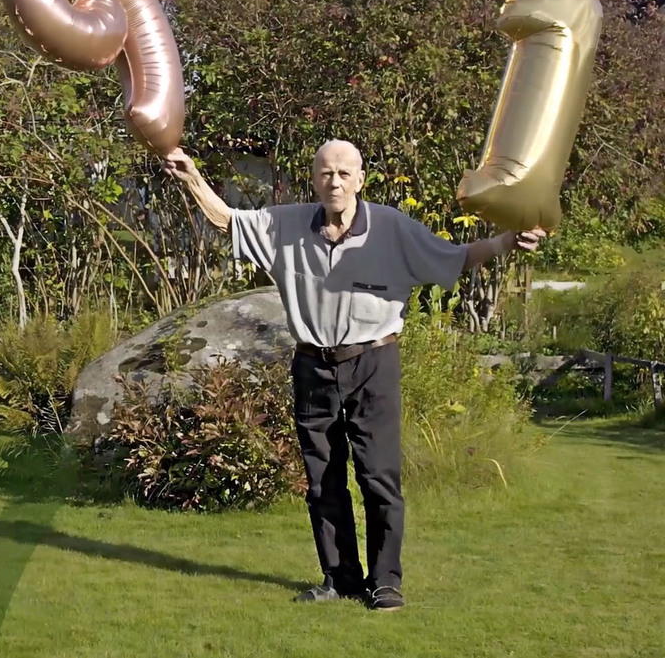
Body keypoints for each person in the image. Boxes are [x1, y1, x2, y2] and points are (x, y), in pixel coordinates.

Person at [163, 139, 545, 611]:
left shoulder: (393, 228)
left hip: (373, 363)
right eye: (326, 173)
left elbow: (455, 256)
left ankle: (386, 582)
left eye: (345, 173)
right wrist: (194, 178)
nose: (335, 182)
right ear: (315, 178)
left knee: (379, 478)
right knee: (323, 480)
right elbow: (229, 220)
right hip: (312, 365)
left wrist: (508, 240)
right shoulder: (285, 224)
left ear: (361, 180)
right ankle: (340, 578)